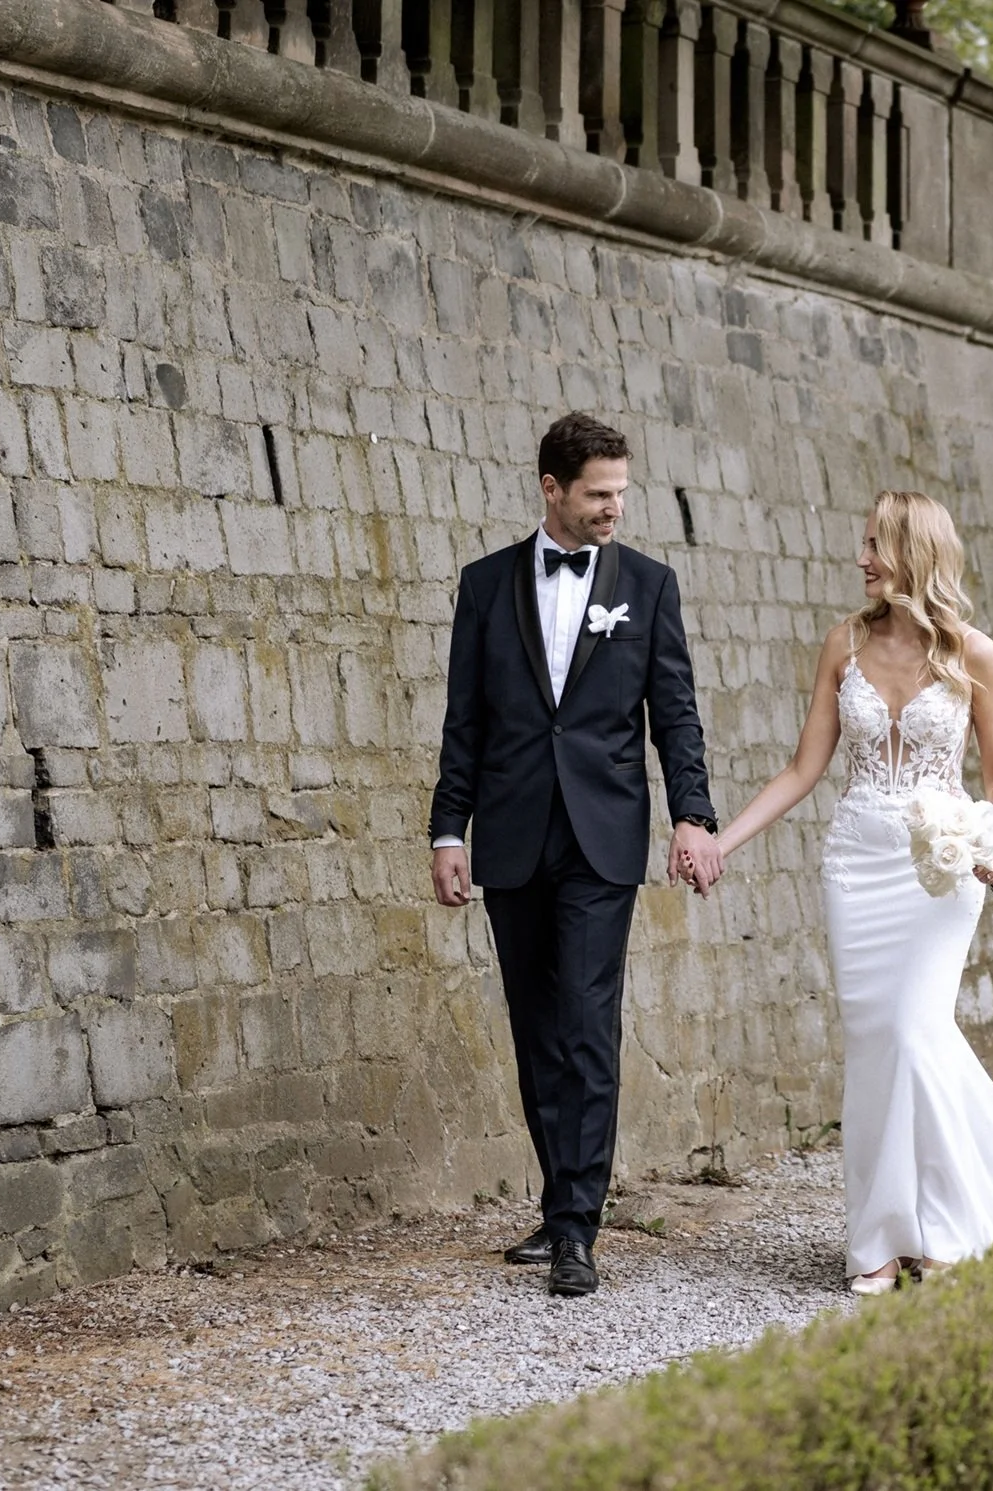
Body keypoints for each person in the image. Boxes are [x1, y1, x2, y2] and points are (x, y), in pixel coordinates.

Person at [705, 490, 993, 1294]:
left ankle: (946, 1226)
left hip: (940, 872)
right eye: (863, 542)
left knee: (916, 1033)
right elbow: (802, 769)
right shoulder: (842, 643)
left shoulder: (973, 652)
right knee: (878, 1045)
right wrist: (722, 841)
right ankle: (879, 1238)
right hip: (856, 863)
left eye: (875, 544)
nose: (861, 558)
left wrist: (990, 833)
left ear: (915, 552)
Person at [429, 412, 724, 1298]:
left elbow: (674, 714)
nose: (613, 510)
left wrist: (692, 815)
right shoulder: (484, 587)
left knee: (587, 1023)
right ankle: (559, 1200)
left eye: (621, 493)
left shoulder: (649, 585)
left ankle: (576, 1230)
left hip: (603, 834)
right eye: (598, 494)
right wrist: (450, 830)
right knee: (534, 1028)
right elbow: (464, 722)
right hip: (513, 834)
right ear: (551, 489)